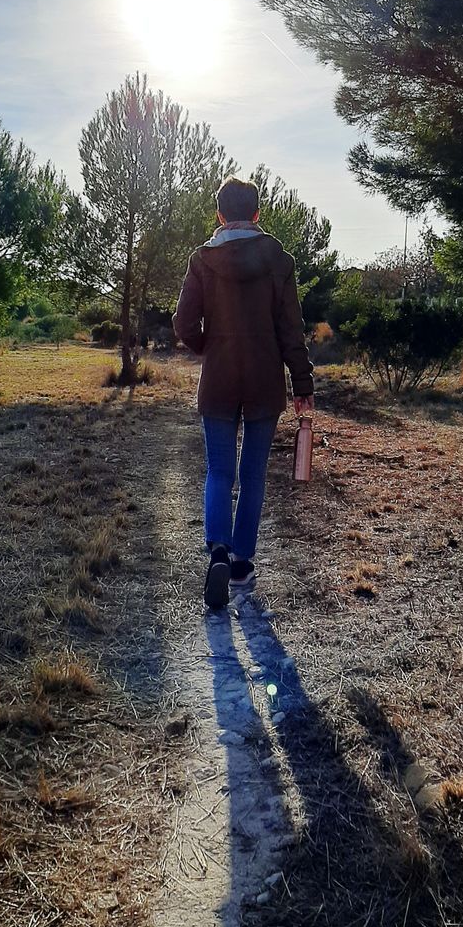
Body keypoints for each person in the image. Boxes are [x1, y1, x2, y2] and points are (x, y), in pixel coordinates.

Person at [173, 177, 315, 610]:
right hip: (263, 380)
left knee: (219, 470)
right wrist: (302, 384)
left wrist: (208, 347)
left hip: (218, 377)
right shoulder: (279, 260)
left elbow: (182, 323)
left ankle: (216, 550)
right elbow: (291, 329)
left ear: (219, 215)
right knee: (252, 476)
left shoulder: (202, 260)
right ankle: (240, 563)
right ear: (257, 213)